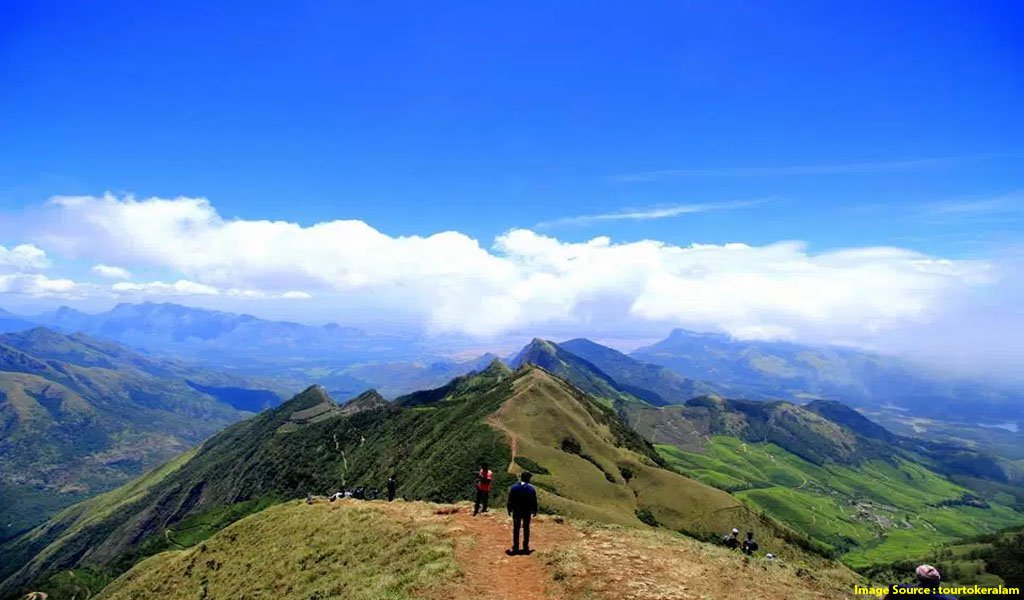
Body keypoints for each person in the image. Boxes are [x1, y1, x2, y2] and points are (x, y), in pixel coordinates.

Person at [506, 471, 538, 555]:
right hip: (526, 511)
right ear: (527, 479)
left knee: (516, 528)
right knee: (526, 528)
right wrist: (534, 510)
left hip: (516, 511)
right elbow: (534, 501)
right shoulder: (531, 489)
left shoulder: (514, 487)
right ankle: (525, 546)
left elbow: (510, 500)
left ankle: (516, 546)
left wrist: (509, 509)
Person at [884, 564, 957, 600]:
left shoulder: (904, 590)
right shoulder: (948, 598)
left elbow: (893, 587)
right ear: (938, 577)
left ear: (919, 578)